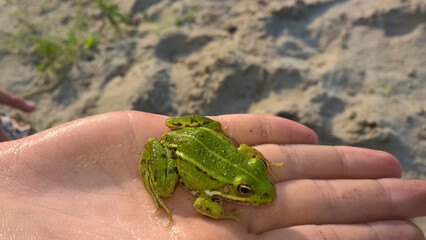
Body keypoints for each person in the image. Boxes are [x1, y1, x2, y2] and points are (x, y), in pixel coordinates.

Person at [0, 111, 424, 239]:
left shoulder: (246, 163)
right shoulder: (215, 190)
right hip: (180, 150)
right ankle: (158, 193)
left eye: (257, 178)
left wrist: (244, 178)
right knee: (168, 187)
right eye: (246, 191)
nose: (261, 193)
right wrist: (227, 212)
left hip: (203, 140)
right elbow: (204, 200)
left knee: (214, 132)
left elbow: (243, 152)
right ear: (232, 188)